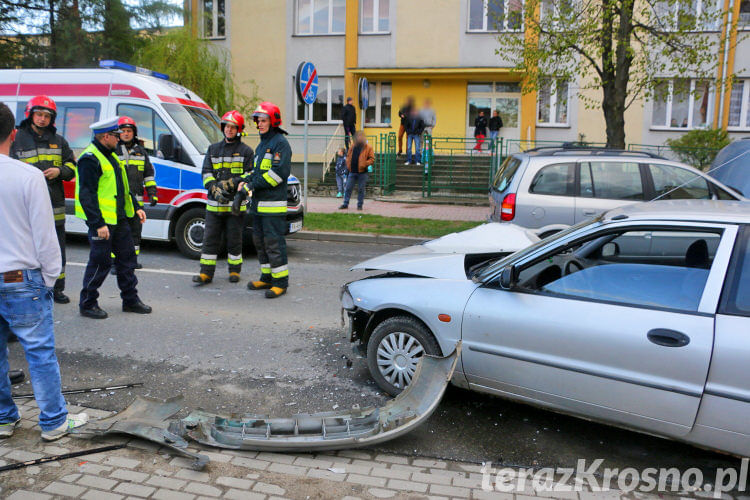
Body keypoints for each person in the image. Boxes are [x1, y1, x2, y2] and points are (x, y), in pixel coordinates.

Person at [0, 102, 88, 441]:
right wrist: (50, 279)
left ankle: (5, 420)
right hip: (22, 278)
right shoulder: (28, 177)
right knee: (39, 353)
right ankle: (53, 422)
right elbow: (45, 235)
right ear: (12, 134)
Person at [76, 117, 152, 319]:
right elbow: (87, 195)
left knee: (127, 261)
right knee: (100, 263)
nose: (119, 139)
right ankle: (88, 303)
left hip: (120, 220)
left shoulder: (110, 155)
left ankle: (130, 300)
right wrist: (97, 224)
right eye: (116, 136)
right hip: (103, 223)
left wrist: (136, 208)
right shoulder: (90, 158)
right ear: (106, 136)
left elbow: (123, 188)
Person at [10, 95, 76, 305]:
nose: (42, 119)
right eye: (39, 114)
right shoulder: (17, 139)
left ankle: (57, 288)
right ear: (30, 115)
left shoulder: (59, 141)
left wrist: (60, 170)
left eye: (47, 116)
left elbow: (73, 166)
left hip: (53, 207)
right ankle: (29, 288)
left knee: (56, 250)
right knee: (26, 251)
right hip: (25, 209)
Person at [193, 111, 254, 285]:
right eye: (227, 126)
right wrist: (213, 187)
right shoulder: (213, 149)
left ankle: (234, 271)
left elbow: (249, 174)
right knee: (209, 240)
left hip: (236, 206)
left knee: (234, 240)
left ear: (239, 130)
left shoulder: (246, 151)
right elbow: (206, 172)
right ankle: (205, 273)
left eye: (233, 127)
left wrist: (232, 183)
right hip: (214, 205)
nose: (229, 130)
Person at [240, 102, 291, 299]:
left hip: (273, 207)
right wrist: (247, 180)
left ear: (273, 121)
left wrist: (253, 185)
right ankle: (267, 277)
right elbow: (257, 171)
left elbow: (277, 175)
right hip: (259, 207)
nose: (259, 124)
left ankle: (281, 282)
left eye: (263, 121)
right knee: (260, 242)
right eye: (258, 121)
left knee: (274, 244)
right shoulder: (262, 144)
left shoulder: (280, 143)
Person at [113, 116, 158, 271]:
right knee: (118, 232)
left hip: (137, 202)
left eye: (129, 131)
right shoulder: (113, 150)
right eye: (123, 131)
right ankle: (116, 263)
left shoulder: (141, 152)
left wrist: (152, 193)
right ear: (118, 133)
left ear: (134, 133)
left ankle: (132, 260)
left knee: (135, 232)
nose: (126, 134)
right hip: (117, 201)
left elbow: (148, 175)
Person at [339, 131, 374, 211]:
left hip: (362, 172)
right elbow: (348, 155)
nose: (359, 138)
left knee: (361, 189)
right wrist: (348, 164)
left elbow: (372, 159)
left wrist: (365, 164)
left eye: (361, 137)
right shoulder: (353, 146)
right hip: (352, 171)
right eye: (358, 137)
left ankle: (359, 205)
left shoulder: (368, 147)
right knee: (348, 188)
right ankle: (345, 204)